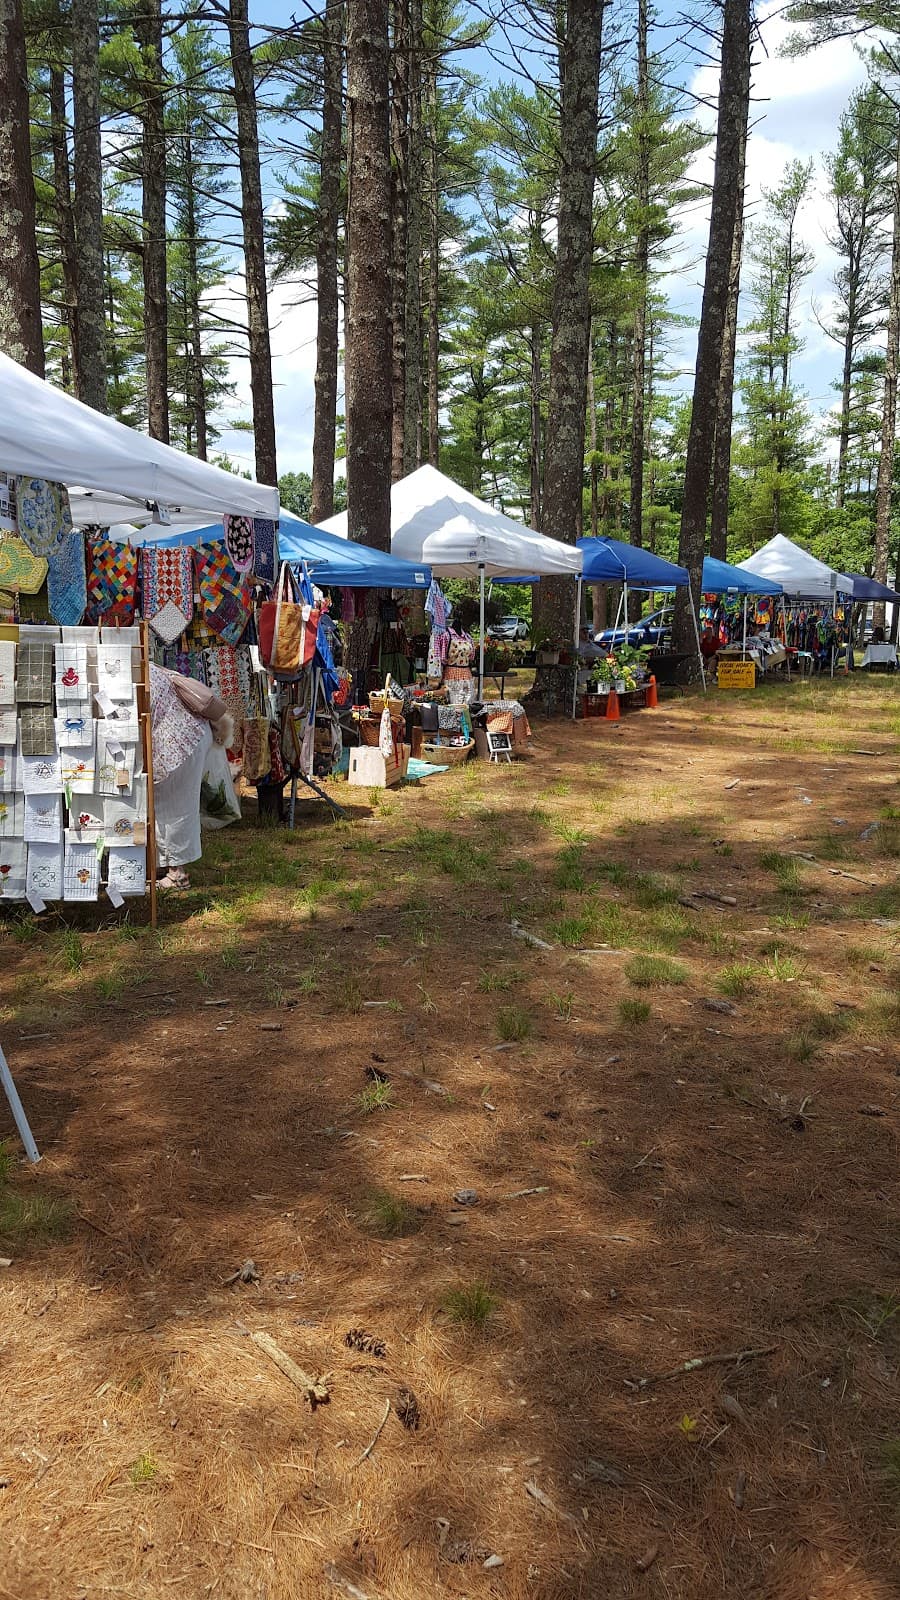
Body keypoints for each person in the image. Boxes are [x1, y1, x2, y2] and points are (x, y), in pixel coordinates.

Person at [149, 665, 233, 891]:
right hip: (187, 735)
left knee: (175, 808)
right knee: (170, 806)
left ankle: (177, 875)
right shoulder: (147, 667)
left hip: (180, 741)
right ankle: (166, 866)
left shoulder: (134, 673)